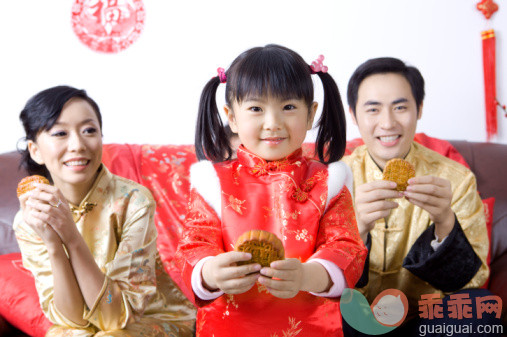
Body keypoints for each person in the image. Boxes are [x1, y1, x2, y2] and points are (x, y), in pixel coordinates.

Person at [175, 44, 368, 337]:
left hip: (310, 328)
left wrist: (306, 276)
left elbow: (346, 248)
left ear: (311, 112)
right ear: (232, 116)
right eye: (256, 108)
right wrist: (212, 271)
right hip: (229, 326)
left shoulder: (329, 182)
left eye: (288, 107)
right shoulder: (211, 182)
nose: (273, 123)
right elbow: (193, 245)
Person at [14, 86, 195, 337]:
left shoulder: (134, 201)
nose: (77, 145)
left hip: (153, 319)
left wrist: (71, 237)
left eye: (89, 130)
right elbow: (73, 320)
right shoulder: (29, 220)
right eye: (60, 133)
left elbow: (116, 316)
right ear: (35, 150)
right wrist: (54, 244)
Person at [343, 57, 497, 336]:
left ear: (419, 109)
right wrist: (358, 230)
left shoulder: (456, 179)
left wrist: (445, 224)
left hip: (425, 319)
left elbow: (475, 282)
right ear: (353, 115)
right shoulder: (335, 181)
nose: (387, 123)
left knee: (478, 308)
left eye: (400, 107)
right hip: (354, 319)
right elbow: (316, 280)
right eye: (373, 109)